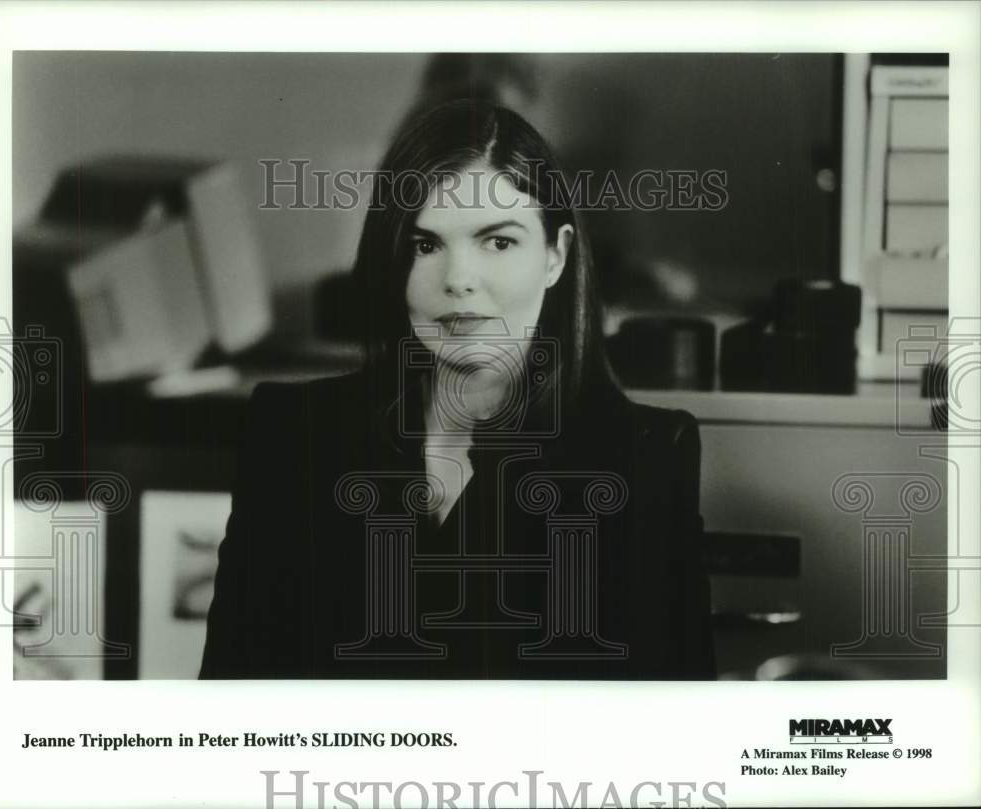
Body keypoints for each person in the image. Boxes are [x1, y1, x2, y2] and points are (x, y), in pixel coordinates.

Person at [199, 99, 714, 679]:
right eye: (426, 245)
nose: (458, 281)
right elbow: (231, 704)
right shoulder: (295, 432)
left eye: (498, 242)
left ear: (556, 255)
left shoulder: (644, 456)